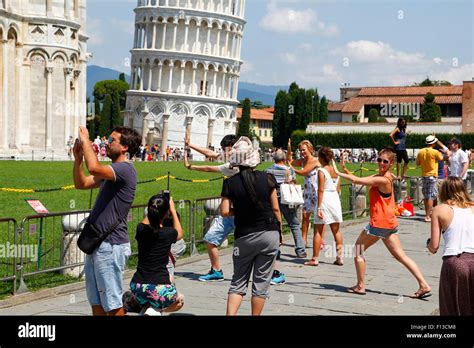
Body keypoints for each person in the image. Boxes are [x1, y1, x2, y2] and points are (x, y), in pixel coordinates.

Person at [334, 148, 431, 298]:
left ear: (391, 163)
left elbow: (356, 181)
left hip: (378, 224)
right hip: (389, 223)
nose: (381, 163)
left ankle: (360, 286)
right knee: (401, 256)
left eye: (385, 161)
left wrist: (335, 171)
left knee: (357, 251)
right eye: (379, 160)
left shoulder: (382, 179)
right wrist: (345, 168)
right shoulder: (386, 176)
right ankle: (424, 285)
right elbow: (361, 178)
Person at [73, 126, 142, 316]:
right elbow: (81, 184)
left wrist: (86, 140)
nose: (106, 143)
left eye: (112, 141)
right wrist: (78, 160)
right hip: (98, 243)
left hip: (111, 245)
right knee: (97, 303)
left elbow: (94, 167)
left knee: (112, 304)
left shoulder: (124, 169)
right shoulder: (111, 172)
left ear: (125, 147)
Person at [220, 136, 282, 315]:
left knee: (238, 281)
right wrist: (279, 231)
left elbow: (224, 212)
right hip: (269, 233)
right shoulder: (268, 178)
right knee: (261, 283)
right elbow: (275, 209)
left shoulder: (229, 183)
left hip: (244, 236)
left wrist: (238, 209)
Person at [184, 134, 239, 282]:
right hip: (227, 212)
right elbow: (211, 154)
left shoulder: (235, 165)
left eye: (227, 149)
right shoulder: (228, 158)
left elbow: (209, 168)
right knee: (210, 239)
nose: (224, 152)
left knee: (253, 247)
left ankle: (273, 271)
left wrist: (191, 166)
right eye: (223, 149)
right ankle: (216, 270)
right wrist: (191, 145)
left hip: (241, 212)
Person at [129, 193, 185, 316]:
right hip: (160, 287)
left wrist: (154, 203)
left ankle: (148, 309)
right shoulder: (168, 233)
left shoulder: (140, 229)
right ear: (166, 214)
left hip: (137, 287)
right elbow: (180, 233)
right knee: (179, 300)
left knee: (150, 299)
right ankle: (154, 311)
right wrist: (173, 210)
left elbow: (146, 220)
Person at [427, 177, 474, 315]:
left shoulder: (439, 210)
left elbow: (434, 246)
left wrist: (428, 245)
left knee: (451, 307)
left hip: (455, 260)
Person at [305, 147, 344, 266]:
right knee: (336, 230)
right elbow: (338, 189)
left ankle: (315, 258)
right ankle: (340, 257)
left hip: (325, 199)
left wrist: (319, 207)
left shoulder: (321, 171)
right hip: (335, 199)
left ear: (321, 158)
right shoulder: (335, 171)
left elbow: (320, 190)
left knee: (318, 230)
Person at [265, 149, 307, 259]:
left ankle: (276, 250)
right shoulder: (289, 170)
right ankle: (300, 249)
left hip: (273, 198)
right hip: (287, 199)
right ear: (284, 159)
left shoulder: (268, 170)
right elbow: (293, 182)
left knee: (275, 225)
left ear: (274, 159)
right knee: (294, 224)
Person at [287, 139, 321, 246]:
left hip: (316, 192)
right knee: (305, 216)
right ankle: (303, 239)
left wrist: (292, 168)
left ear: (310, 149)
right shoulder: (302, 161)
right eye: (300, 150)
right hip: (307, 192)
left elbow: (303, 172)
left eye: (304, 150)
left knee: (318, 218)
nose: (302, 152)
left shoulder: (316, 160)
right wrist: (289, 149)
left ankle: (319, 240)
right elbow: (290, 160)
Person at [416, 135, 449, 222]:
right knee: (431, 196)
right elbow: (443, 158)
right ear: (433, 143)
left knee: (426, 196)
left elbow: (417, 163)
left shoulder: (421, 151)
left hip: (424, 175)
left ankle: (428, 214)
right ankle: (427, 216)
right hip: (432, 176)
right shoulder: (435, 152)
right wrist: (447, 154)